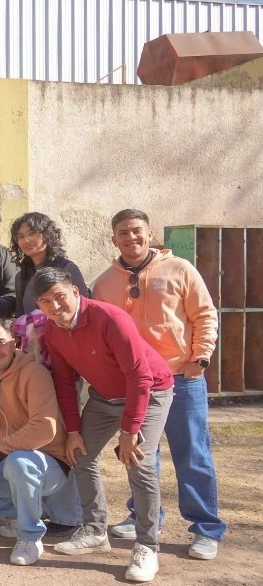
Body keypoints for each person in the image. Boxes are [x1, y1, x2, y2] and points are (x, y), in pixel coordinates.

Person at [92, 209, 225, 560]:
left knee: (192, 453)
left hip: (182, 377)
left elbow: (204, 313)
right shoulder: (104, 283)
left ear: (150, 234)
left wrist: (201, 356)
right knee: (139, 454)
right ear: (113, 239)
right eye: (123, 233)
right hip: (137, 385)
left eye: (137, 231)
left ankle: (205, 528)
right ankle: (144, 516)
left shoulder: (180, 269)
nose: (131, 238)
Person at [35, 267, 174, 583]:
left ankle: (147, 546)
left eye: (59, 297)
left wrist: (130, 430)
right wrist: (72, 431)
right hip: (104, 397)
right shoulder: (52, 329)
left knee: (138, 463)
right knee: (81, 455)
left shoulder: (110, 317)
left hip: (149, 392)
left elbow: (140, 376)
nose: (55, 306)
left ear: (74, 290)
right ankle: (96, 531)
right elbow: (64, 382)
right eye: (45, 301)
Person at [0, 319, 81, 566]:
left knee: (19, 462)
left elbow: (44, 427)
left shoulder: (34, 373)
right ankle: (31, 506)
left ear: (14, 342)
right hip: (8, 466)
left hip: (49, 463)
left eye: (1, 342)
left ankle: (29, 536)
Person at [10, 212, 90, 316]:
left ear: (47, 234)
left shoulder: (67, 269)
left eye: (32, 233)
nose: (26, 240)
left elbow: (84, 310)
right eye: (21, 236)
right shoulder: (21, 277)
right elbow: (20, 316)